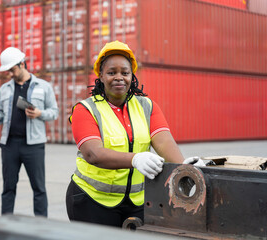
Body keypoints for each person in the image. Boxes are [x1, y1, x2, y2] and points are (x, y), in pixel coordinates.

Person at [65, 40, 204, 227]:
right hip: (92, 201)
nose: (119, 77)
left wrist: (185, 170)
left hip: (137, 203)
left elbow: (163, 143)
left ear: (132, 76)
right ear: (101, 76)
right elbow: (93, 154)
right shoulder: (85, 109)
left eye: (125, 72)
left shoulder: (147, 106)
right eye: (111, 72)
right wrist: (135, 159)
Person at [0, 47, 59, 216]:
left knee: (39, 188)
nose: (10, 74)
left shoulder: (43, 86)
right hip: (9, 145)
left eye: (12, 69)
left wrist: (39, 113)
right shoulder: (4, 89)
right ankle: (5, 225)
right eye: (8, 71)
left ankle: (41, 228)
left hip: (33, 146)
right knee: (8, 188)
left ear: (22, 64)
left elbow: (54, 112)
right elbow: (3, 117)